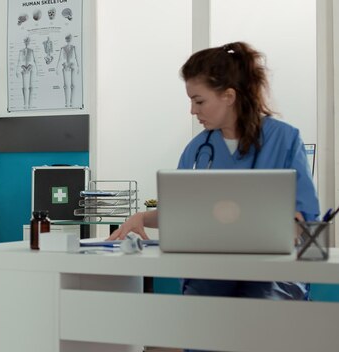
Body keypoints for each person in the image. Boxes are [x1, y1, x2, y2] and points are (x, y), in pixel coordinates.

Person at [109, 42, 319, 309]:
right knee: (203, 313)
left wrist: (292, 225)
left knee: (258, 312)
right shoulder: (198, 151)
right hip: (210, 273)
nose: (193, 111)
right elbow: (181, 212)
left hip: (271, 273)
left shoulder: (285, 139)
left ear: (228, 96)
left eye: (199, 101)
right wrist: (141, 218)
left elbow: (306, 215)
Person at [56, 33, 80, 107]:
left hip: (71, 66)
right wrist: (57, 67)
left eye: (68, 39)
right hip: (65, 66)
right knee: (65, 85)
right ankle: (66, 102)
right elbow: (60, 58)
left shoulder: (73, 47)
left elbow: (75, 57)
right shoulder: (62, 48)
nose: (68, 40)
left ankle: (71, 102)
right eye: (67, 39)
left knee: (71, 85)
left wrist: (78, 66)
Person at [16, 37, 39, 109]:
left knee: (29, 86)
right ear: (24, 42)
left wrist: (35, 69)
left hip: (29, 70)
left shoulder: (31, 51)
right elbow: (19, 61)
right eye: (25, 41)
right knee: (24, 87)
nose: (26, 43)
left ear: (28, 42)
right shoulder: (21, 51)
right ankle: (25, 103)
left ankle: (28, 104)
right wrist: (18, 70)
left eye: (27, 41)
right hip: (23, 70)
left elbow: (34, 61)